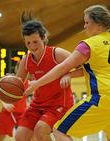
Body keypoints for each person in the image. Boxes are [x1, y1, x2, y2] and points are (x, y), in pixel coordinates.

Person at [24, 5, 110, 141]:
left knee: (59, 130)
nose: (84, 26)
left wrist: (37, 84)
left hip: (104, 100)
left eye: (87, 22)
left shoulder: (88, 45)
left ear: (98, 23)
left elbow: (62, 67)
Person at [14, 12, 73, 141]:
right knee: (20, 136)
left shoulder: (56, 53)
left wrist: (69, 74)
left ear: (44, 38)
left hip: (59, 103)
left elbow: (83, 65)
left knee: (40, 130)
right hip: (37, 105)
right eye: (28, 43)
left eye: (35, 42)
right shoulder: (26, 60)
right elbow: (17, 84)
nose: (32, 47)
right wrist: (9, 83)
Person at [0, 62, 27, 141]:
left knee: (26, 135)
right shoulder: (9, 79)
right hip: (8, 112)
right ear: (16, 68)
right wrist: (4, 104)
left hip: (22, 113)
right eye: (20, 67)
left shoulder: (27, 82)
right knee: (1, 136)